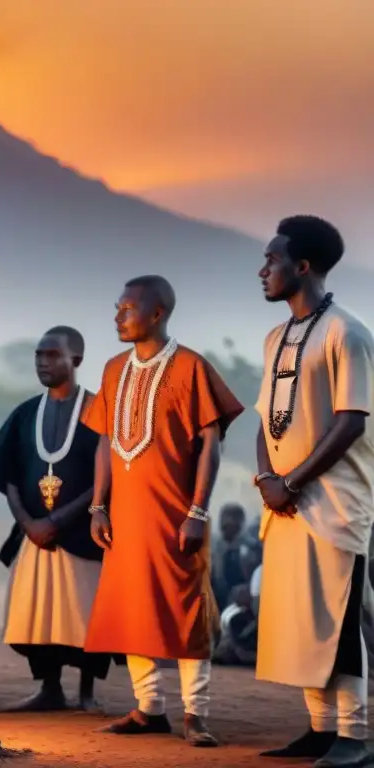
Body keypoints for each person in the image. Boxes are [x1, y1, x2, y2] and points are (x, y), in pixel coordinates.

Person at [82, 274, 243, 748]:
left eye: (126, 308)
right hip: (125, 515)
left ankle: (197, 714)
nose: (117, 315)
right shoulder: (113, 369)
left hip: (177, 514)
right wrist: (97, 506)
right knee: (135, 606)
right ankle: (149, 709)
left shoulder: (192, 366)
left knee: (186, 608)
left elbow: (211, 444)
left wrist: (197, 511)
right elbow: (106, 443)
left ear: (156, 313)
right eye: (117, 307)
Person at [253, 216, 374, 768]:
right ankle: (321, 731)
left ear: (302, 267)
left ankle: (355, 737)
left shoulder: (347, 333)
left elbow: (351, 421)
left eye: (272, 261)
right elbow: (264, 420)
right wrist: (267, 481)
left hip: (335, 504)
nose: (263, 271)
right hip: (284, 503)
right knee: (301, 619)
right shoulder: (276, 338)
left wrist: (293, 481)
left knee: (338, 618)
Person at [0, 326, 114, 711]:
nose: (43, 361)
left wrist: (63, 519)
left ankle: (87, 691)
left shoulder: (98, 411)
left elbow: (111, 473)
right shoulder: (25, 413)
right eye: (39, 354)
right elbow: (7, 475)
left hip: (85, 531)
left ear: (77, 360)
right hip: (34, 535)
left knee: (85, 612)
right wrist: (29, 524)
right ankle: (49, 687)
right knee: (36, 613)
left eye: (53, 354)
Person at [211, 503, 250, 609]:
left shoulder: (249, 550)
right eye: (228, 519)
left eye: (235, 519)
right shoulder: (212, 549)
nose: (231, 522)